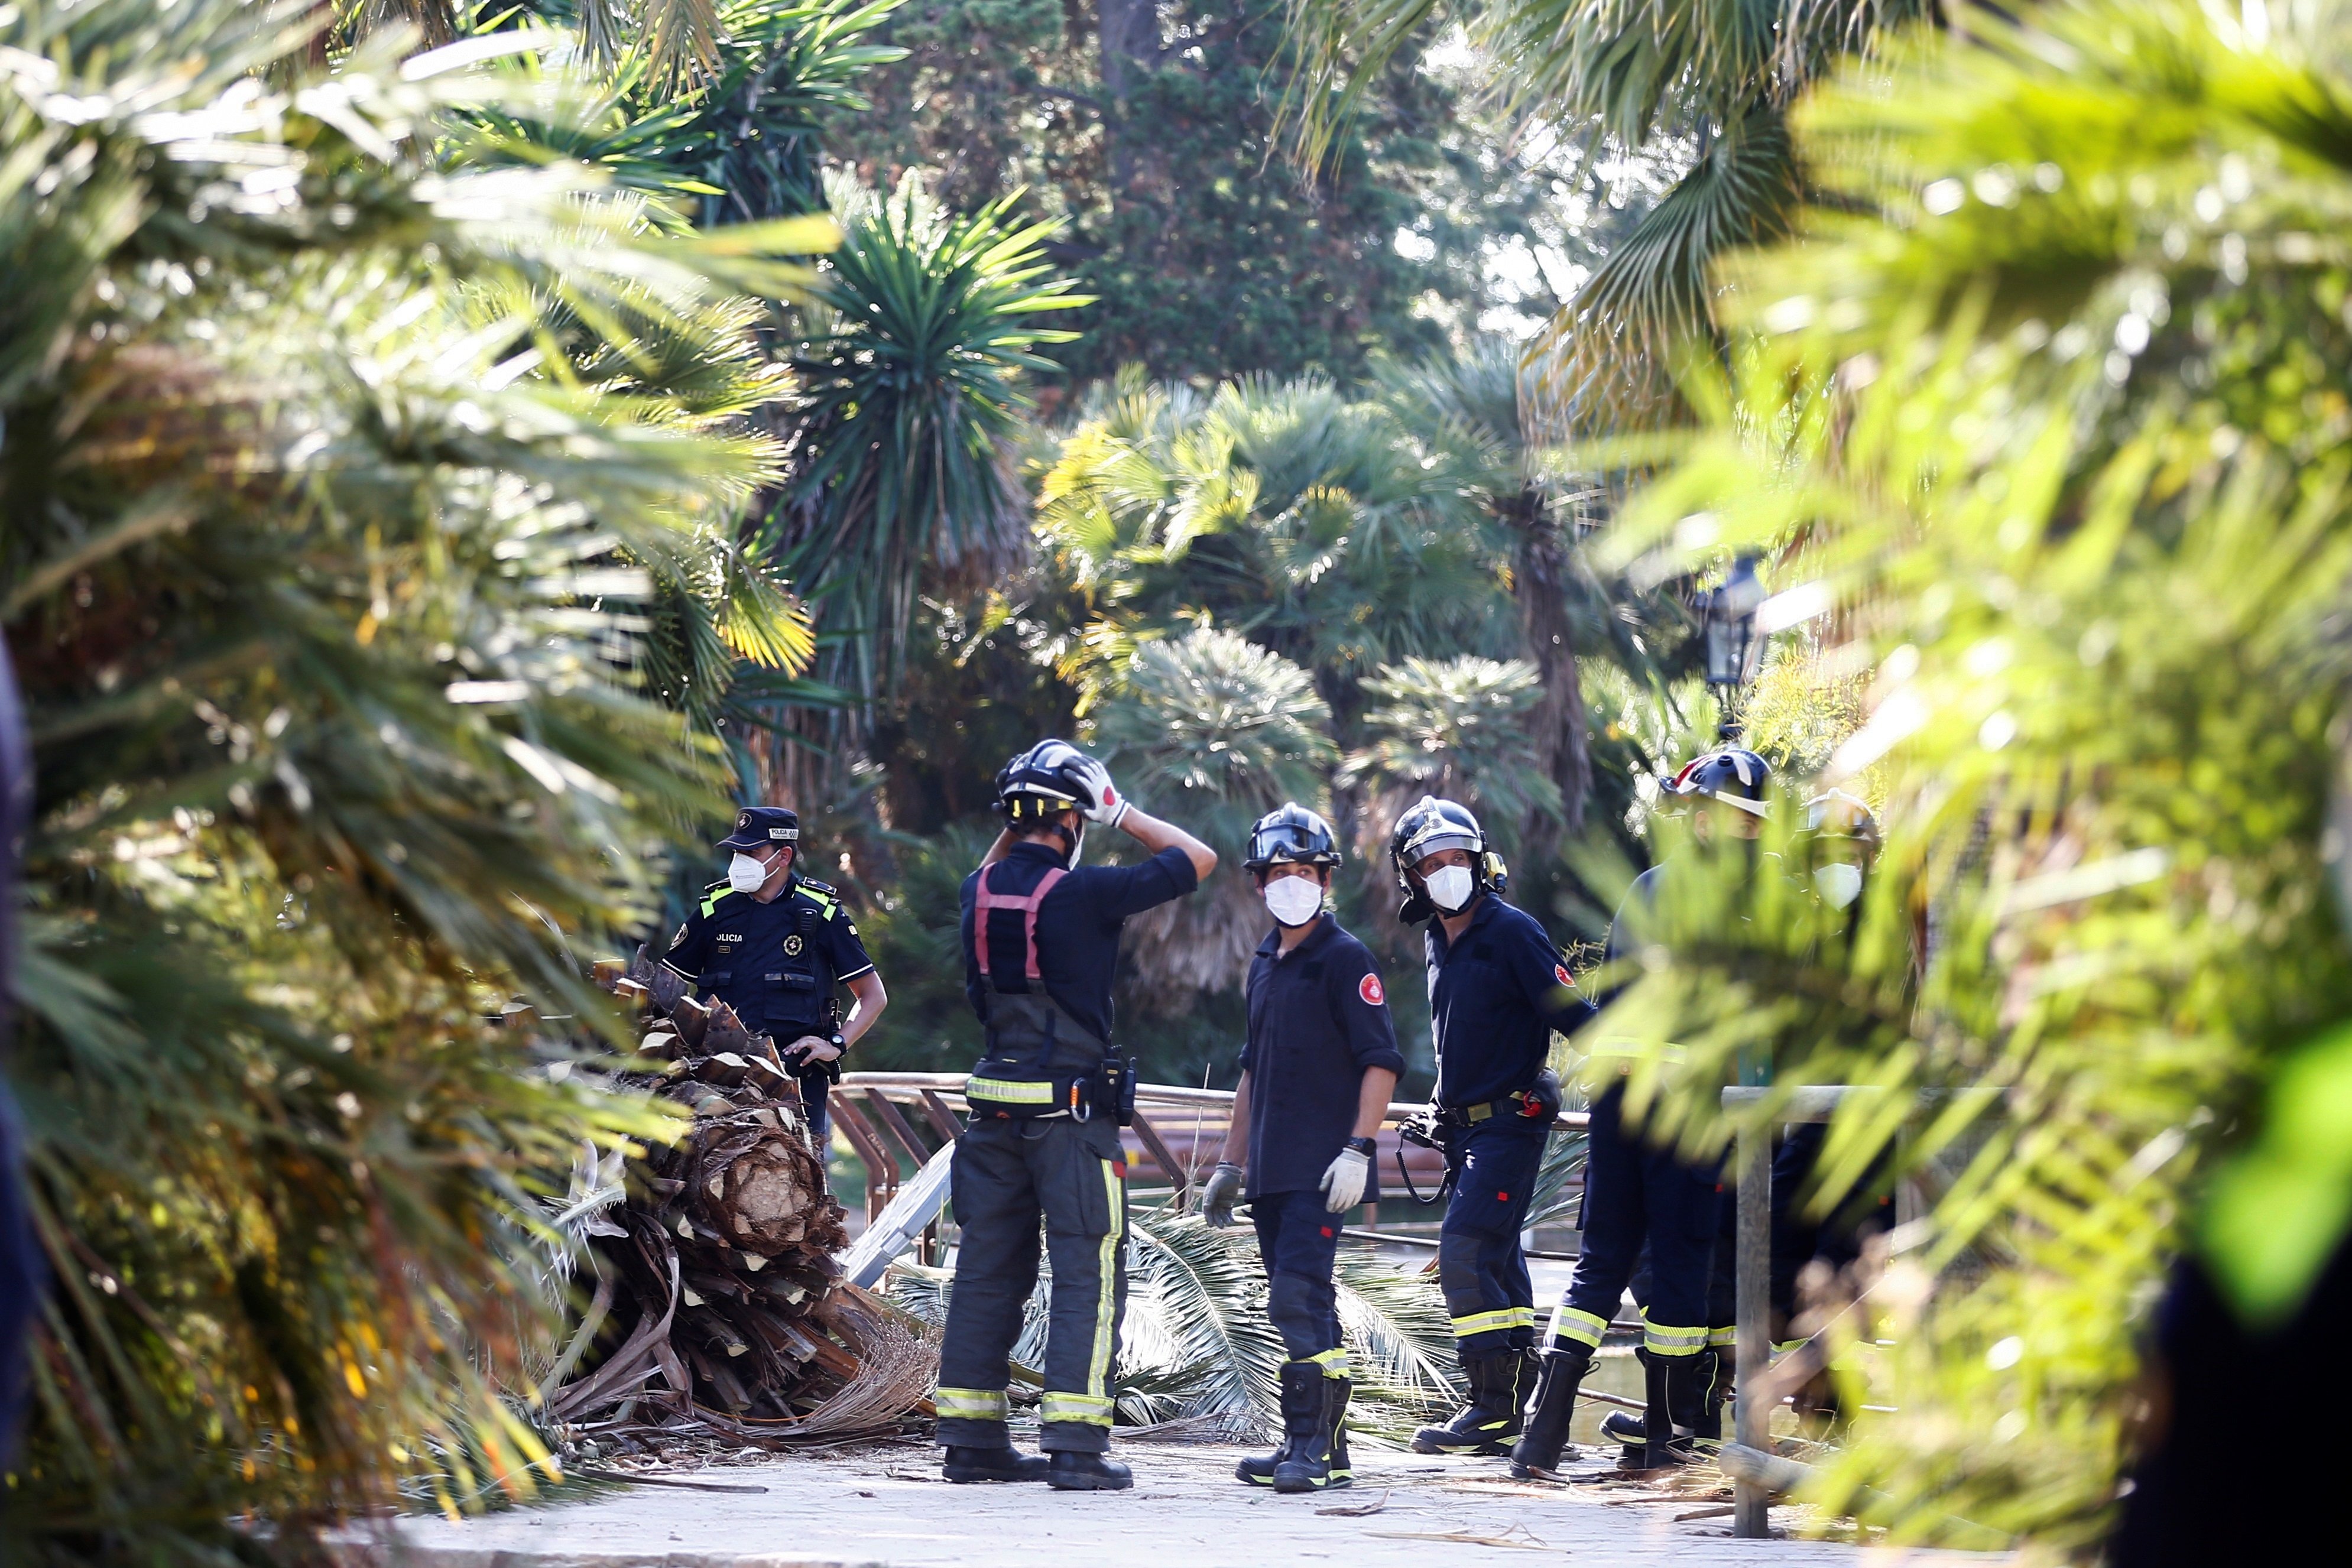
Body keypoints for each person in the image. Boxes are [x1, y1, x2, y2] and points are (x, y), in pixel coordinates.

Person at [933, 740, 1216, 1491]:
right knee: (1088, 1273)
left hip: (990, 1117)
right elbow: (1197, 857)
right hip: (1070, 1119)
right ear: (1074, 818)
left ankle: (970, 1440)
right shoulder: (1083, 892)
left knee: (987, 1272)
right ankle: (1076, 1445)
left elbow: (996, 865)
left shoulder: (977, 891)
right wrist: (1118, 810)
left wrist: (1027, 801)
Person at [1514, 748, 1770, 1478]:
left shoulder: (1649, 887)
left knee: (1599, 1264)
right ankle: (1668, 1440)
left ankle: (1543, 1434)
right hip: (1687, 1107)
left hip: (1620, 1100)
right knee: (1685, 1269)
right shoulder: (1752, 906)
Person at [1199, 804, 1405, 1494]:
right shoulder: (1263, 961)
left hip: (1325, 1169)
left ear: (1325, 878)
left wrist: (1358, 1148)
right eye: (1279, 871)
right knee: (1299, 1304)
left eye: (1305, 871)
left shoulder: (1345, 958)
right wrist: (1230, 1164)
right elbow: (1251, 1070)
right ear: (1259, 882)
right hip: (1271, 1171)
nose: (1293, 881)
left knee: (1297, 1298)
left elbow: (1381, 1060)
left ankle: (1309, 1448)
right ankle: (1322, 1449)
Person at [1387, 797, 1590, 1456]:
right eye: (1432, 863)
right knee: (1498, 1260)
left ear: (1483, 863)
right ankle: (1516, 1410)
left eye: (1459, 859)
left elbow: (1574, 1016)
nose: (1448, 871)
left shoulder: (1511, 930)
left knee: (1465, 1251)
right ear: (1410, 876)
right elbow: (1462, 1037)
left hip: (1513, 1122)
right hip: (1467, 1127)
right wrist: (1442, 1107)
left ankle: (1490, 1408)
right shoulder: (1436, 938)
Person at [661, 806, 887, 1152]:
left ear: (783, 856)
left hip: (795, 1084)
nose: (740, 861)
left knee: (798, 1192)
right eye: (737, 851)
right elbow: (665, 987)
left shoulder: (820, 913)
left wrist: (837, 1045)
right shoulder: (715, 910)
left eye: (752, 852)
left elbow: (872, 996)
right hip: (718, 1085)